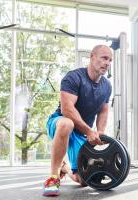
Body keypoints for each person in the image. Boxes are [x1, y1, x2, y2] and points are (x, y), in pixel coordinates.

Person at [43, 45, 113, 197]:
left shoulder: (107, 86)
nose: (107, 63)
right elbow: (66, 110)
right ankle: (53, 177)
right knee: (67, 123)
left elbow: (104, 110)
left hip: (81, 132)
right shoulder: (74, 77)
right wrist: (89, 131)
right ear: (92, 57)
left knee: (83, 180)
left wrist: (100, 132)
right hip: (59, 123)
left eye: (110, 60)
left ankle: (65, 168)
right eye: (104, 58)